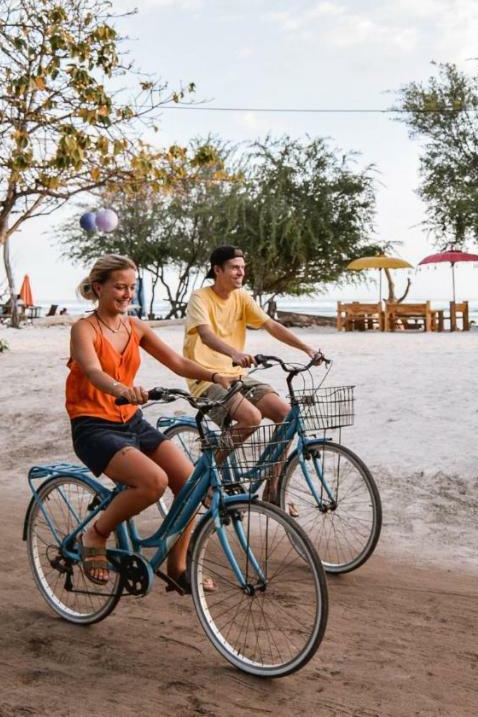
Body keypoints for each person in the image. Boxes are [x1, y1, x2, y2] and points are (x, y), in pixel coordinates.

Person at [68, 254, 237, 592]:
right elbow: (93, 371)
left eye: (131, 287)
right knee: (153, 481)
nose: (127, 294)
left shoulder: (135, 327)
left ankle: (176, 567)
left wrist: (213, 373)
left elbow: (176, 361)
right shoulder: (83, 328)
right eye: (119, 287)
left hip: (131, 420)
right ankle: (96, 534)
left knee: (190, 485)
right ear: (98, 287)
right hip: (93, 426)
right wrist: (122, 390)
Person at [182, 246, 322, 502]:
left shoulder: (242, 297)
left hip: (237, 375)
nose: (241, 272)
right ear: (217, 270)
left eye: (243, 268)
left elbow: (270, 324)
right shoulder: (199, 298)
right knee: (251, 418)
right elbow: (205, 334)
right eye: (235, 267)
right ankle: (206, 472)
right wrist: (234, 353)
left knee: (285, 415)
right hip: (206, 377)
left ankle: (272, 490)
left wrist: (306, 348)